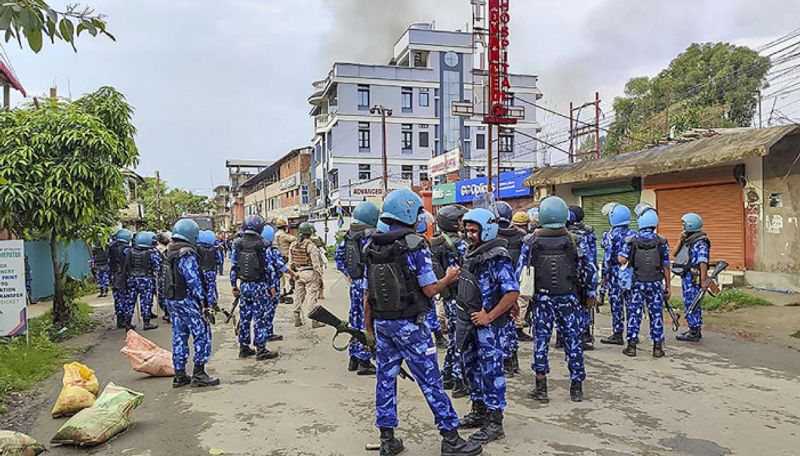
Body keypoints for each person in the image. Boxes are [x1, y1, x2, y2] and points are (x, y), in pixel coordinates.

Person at [363, 189, 481, 456]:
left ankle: (387, 440)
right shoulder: (415, 245)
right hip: (411, 325)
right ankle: (451, 439)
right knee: (430, 382)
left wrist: (369, 330)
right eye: (417, 212)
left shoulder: (371, 245)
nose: (420, 218)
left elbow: (367, 296)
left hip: (383, 325)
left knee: (385, 380)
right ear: (408, 213)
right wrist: (449, 278)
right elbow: (429, 290)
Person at [517, 196, 598, 403]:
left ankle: (541, 387)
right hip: (569, 298)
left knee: (541, 342)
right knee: (573, 341)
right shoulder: (575, 239)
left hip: (542, 300)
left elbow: (521, 272)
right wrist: (590, 294)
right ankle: (576, 388)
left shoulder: (530, 241)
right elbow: (590, 271)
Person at [455, 208, 520, 445]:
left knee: (491, 372)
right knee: (471, 368)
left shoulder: (497, 256)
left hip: (488, 328)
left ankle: (495, 422)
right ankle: (478, 410)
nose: (470, 235)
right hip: (468, 322)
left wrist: (489, 316)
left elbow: (512, 291)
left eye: (474, 231)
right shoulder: (471, 252)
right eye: (468, 230)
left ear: (488, 229)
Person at [164, 219, 219, 388]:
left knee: (179, 335)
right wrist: (204, 303)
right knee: (202, 334)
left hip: (173, 299)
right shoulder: (186, 254)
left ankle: (179, 375)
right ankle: (199, 373)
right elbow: (193, 280)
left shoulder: (170, 252)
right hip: (188, 300)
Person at [334, 201, 380, 376]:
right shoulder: (370, 236)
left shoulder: (349, 235)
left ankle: (353, 357)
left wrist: (349, 275)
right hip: (366, 286)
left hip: (355, 284)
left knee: (355, 320)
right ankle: (364, 360)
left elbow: (339, 258)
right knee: (366, 322)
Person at [618, 205, 670, 357]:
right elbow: (666, 266)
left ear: (640, 221)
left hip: (637, 283)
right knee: (656, 314)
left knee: (634, 313)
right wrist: (668, 287)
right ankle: (658, 348)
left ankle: (632, 346)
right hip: (655, 283)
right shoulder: (662, 242)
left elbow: (621, 259)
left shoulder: (631, 240)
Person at [430, 204, 469, 398]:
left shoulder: (436, 241)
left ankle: (446, 375)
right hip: (459, 297)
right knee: (461, 339)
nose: (464, 224)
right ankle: (459, 381)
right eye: (461, 220)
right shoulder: (457, 243)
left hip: (448, 296)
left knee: (455, 338)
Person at [230, 215, 279, 361]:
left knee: (245, 316)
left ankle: (243, 348)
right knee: (260, 317)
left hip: (244, 285)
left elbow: (234, 266)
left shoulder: (238, 243)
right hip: (260, 285)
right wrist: (272, 286)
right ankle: (261, 349)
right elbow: (269, 267)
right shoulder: (263, 244)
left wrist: (234, 285)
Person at [495, 202, 526, 378]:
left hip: (497, 287)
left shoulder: (491, 236)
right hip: (516, 285)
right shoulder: (522, 237)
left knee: (500, 326)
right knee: (512, 322)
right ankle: (513, 361)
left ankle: (505, 362)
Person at [599, 204, 636, 346]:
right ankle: (633, 334)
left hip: (614, 275)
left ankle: (618, 334)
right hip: (630, 274)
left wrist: (604, 280)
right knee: (631, 305)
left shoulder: (608, 235)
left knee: (617, 306)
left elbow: (607, 258)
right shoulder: (634, 234)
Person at [673, 213, 710, 343]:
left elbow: (703, 261)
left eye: (684, 224)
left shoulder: (700, 241)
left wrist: (704, 280)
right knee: (689, 302)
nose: (682, 226)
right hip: (686, 276)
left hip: (694, 277)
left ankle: (694, 331)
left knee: (693, 303)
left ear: (690, 225)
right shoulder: (688, 239)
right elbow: (675, 253)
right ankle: (693, 329)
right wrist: (680, 240)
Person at [566, 206, 598, 350]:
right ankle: (585, 335)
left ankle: (563, 338)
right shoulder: (589, 232)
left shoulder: (564, 233)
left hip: (567, 277)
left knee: (568, 308)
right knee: (585, 305)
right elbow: (593, 257)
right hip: (585, 274)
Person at [262, 225, 297, 343]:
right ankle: (267, 334)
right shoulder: (272, 250)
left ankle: (250, 342)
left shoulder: (255, 248)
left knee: (261, 310)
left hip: (258, 284)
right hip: (272, 283)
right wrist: (293, 274)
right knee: (270, 309)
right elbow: (278, 266)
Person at [289, 222, 325, 328]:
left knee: (298, 297)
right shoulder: (311, 246)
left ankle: (297, 318)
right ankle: (315, 321)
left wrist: (292, 275)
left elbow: (291, 263)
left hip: (298, 273)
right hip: (310, 273)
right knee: (311, 297)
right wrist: (320, 277)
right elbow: (316, 264)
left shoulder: (293, 244)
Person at [125, 231, 160, 330]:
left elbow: (126, 265)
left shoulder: (129, 251)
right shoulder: (151, 253)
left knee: (130, 301)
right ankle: (146, 322)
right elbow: (157, 267)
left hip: (131, 279)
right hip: (145, 279)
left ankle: (128, 323)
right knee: (146, 301)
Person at [108, 229, 133, 330]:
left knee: (118, 299)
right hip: (124, 276)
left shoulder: (110, 248)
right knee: (126, 298)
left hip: (114, 275)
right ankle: (126, 321)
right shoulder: (127, 250)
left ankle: (120, 320)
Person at [197, 231, 222, 312]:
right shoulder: (215, 249)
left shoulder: (198, 248)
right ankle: (210, 306)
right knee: (211, 289)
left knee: (201, 288)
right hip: (211, 271)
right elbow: (219, 261)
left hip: (201, 272)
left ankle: (201, 305)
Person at [274, 218, 297, 300]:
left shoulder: (275, 235)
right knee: (288, 275)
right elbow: (294, 239)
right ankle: (287, 292)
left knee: (281, 277)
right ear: (284, 226)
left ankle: (281, 292)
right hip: (285, 257)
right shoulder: (284, 235)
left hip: (277, 258)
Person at [156, 232, 171, 323]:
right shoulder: (168, 249)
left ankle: (167, 313)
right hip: (165, 274)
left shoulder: (157, 250)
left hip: (162, 274)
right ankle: (167, 312)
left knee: (162, 293)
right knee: (166, 293)